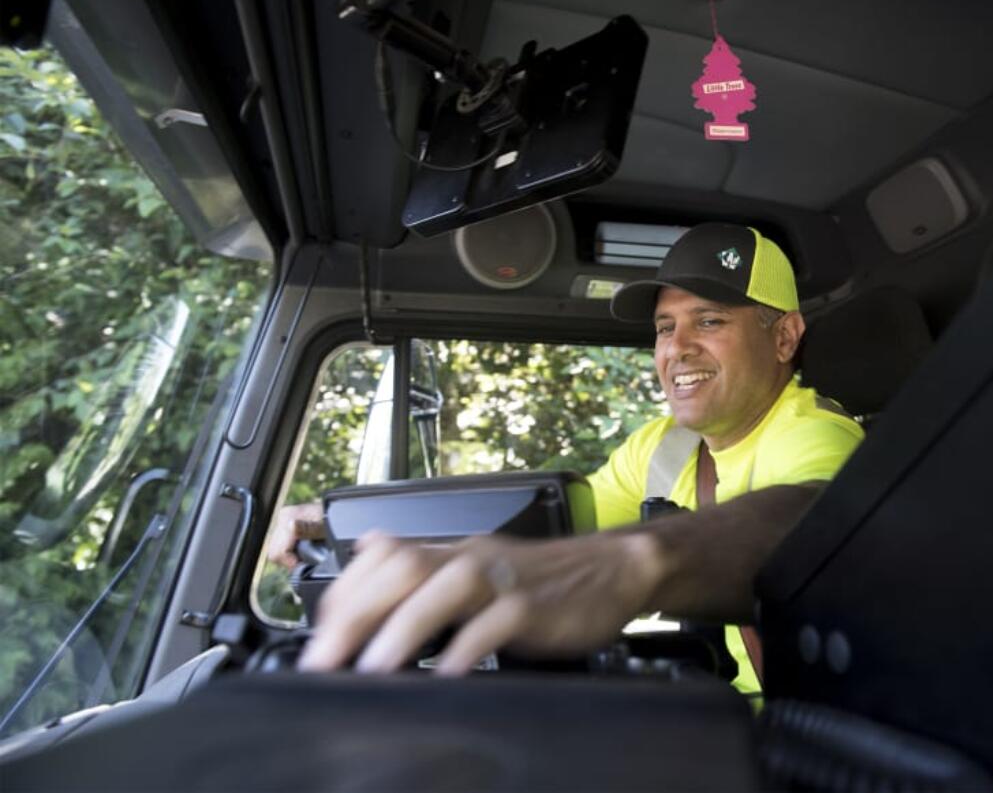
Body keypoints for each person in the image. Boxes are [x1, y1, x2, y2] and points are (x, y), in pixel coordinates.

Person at [296, 223, 864, 687]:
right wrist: (349, 525)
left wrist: (632, 562)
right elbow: (540, 531)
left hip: (805, 736)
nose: (677, 348)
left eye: (710, 321)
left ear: (785, 337)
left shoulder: (814, 434)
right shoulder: (662, 446)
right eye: (665, 327)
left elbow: (805, 524)